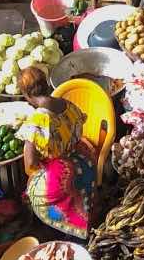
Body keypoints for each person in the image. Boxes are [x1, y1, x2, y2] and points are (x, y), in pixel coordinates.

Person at [16, 67, 95, 238]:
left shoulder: (37, 121)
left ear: (26, 94)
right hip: (82, 162)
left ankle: (59, 230)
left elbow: (30, 163)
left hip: (60, 172)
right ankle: (84, 223)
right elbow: (78, 129)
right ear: (46, 85)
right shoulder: (67, 105)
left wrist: (43, 166)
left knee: (34, 194)